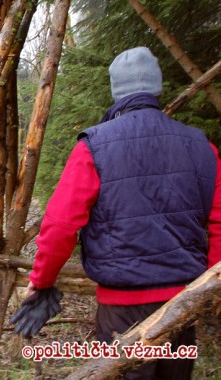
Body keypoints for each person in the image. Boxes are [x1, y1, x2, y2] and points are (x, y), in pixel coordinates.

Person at [13, 47, 220, 379]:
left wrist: (41, 282)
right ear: (156, 87)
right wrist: (207, 290)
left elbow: (60, 226)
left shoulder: (94, 147)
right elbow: (219, 224)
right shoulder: (202, 147)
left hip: (122, 309)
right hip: (183, 304)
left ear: (116, 90)